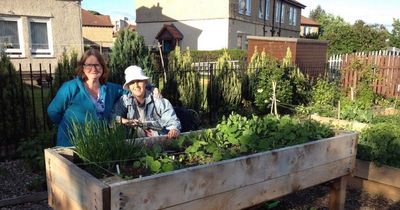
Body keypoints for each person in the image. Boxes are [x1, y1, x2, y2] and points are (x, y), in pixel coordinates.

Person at [47, 49, 124, 146]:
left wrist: (147, 87)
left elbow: (131, 90)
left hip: (98, 147)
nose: (94, 68)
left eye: (97, 65)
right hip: (71, 145)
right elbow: (53, 111)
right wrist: (68, 126)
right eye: (89, 65)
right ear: (82, 67)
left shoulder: (110, 89)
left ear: (102, 67)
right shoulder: (70, 87)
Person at [112, 65, 181, 139]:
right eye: (132, 82)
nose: (136, 85)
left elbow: (172, 120)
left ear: (145, 82)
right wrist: (124, 121)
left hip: (160, 143)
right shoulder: (125, 101)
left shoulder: (157, 99)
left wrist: (173, 130)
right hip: (135, 145)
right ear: (128, 87)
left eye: (139, 81)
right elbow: (111, 116)